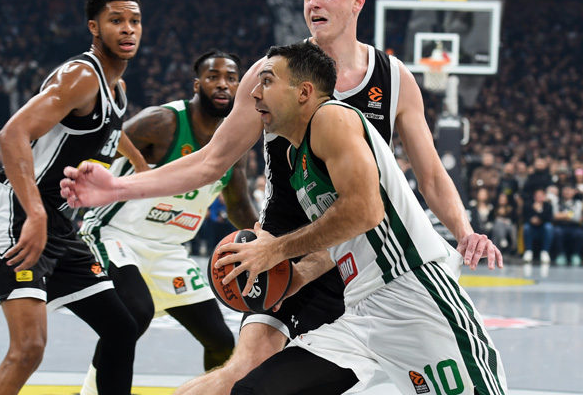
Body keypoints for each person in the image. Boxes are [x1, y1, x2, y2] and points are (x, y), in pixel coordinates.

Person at [60, 0, 502, 394]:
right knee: (246, 372)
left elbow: (430, 174)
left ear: (357, 1)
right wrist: (118, 187)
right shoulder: (272, 75)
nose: (313, 2)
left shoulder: (392, 77)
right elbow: (212, 161)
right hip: (285, 250)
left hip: (363, 255)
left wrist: (464, 231)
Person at [217, 41, 506, 395]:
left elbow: (365, 211)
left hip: (413, 294)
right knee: (255, 390)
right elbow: (341, 234)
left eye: (267, 81)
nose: (254, 93)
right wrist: (299, 275)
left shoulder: (331, 118)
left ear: (303, 92)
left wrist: (276, 249)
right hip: (361, 311)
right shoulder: (296, 158)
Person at [0, 0, 147, 395]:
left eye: (135, 21)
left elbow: (110, 129)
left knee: (121, 327)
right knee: (29, 348)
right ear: (94, 27)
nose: (128, 29)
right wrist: (35, 214)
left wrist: (140, 165)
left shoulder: (117, 90)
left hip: (59, 223)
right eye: (116, 20)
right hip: (16, 210)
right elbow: (11, 134)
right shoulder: (81, 76)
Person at [76, 50, 258, 394]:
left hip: (169, 250)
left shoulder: (235, 141)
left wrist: (269, 240)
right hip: (115, 235)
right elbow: (101, 147)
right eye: (213, 77)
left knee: (221, 341)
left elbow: (238, 206)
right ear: (197, 84)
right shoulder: (162, 121)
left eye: (231, 78)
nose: (223, 84)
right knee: (135, 314)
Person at [522, 188, 554, 263]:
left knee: (549, 227)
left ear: (544, 196)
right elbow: (525, 217)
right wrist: (532, 220)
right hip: (532, 227)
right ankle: (528, 251)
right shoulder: (528, 205)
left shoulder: (548, 206)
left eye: (541, 196)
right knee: (526, 227)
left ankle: (545, 252)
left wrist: (539, 211)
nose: (539, 198)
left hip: (543, 227)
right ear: (534, 197)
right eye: (537, 196)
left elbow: (549, 218)